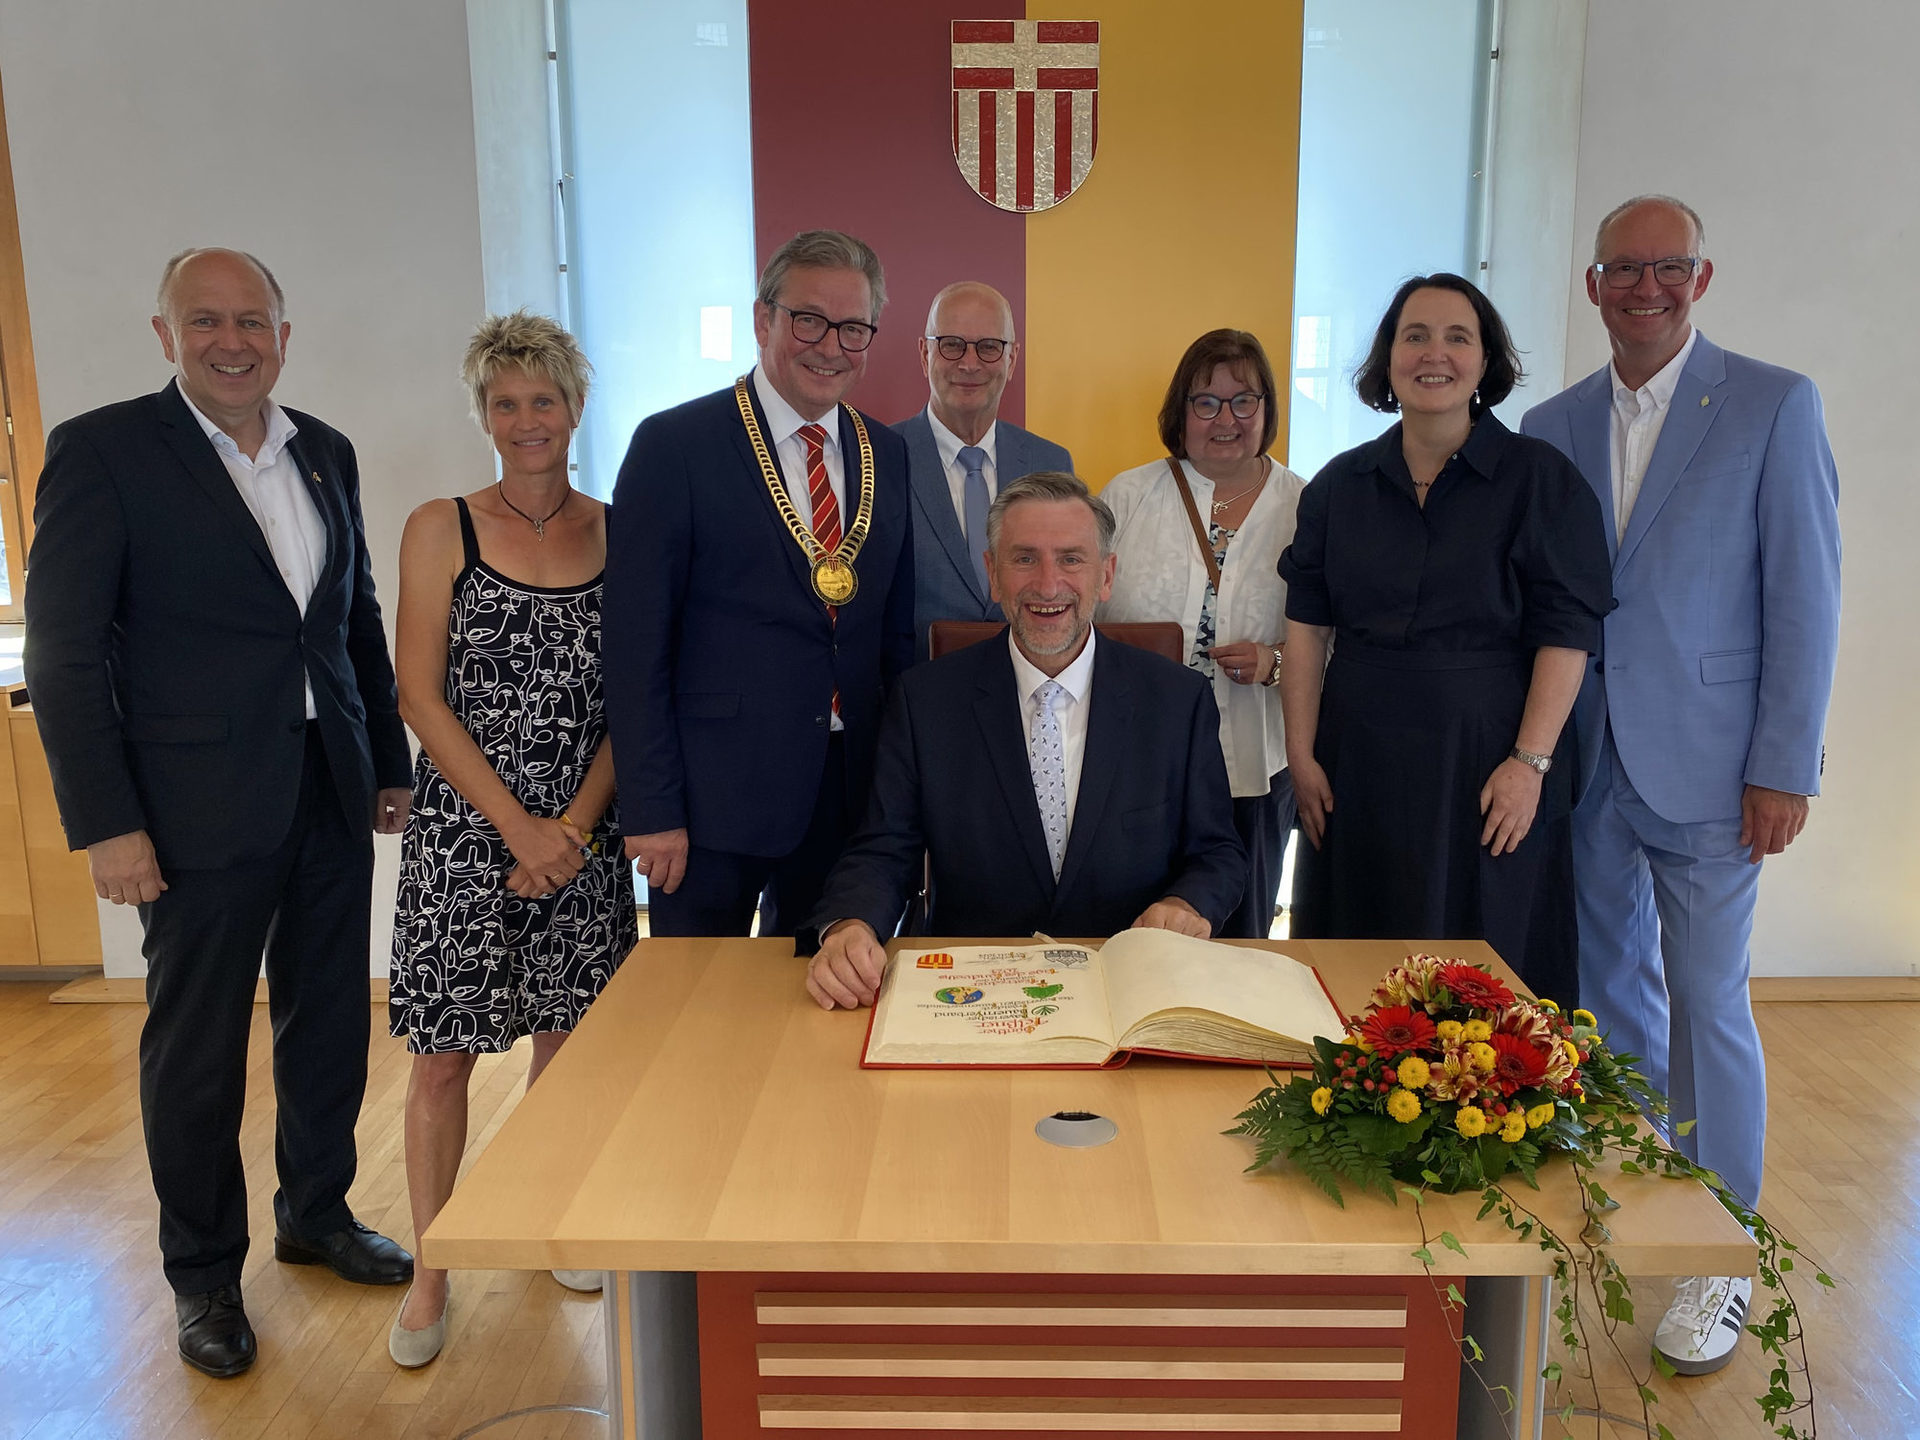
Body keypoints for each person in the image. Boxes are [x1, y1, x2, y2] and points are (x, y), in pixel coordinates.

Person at [21, 248, 414, 1379]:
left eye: (251, 321)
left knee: (327, 1020)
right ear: (165, 335)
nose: (230, 341)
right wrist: (106, 822)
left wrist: (386, 760)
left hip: (328, 785)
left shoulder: (323, 450)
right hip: (188, 810)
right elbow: (62, 652)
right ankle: (202, 1277)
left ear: (284, 336)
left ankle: (317, 1214)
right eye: (205, 321)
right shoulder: (104, 452)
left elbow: (351, 620)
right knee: (196, 1053)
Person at [1521, 195, 1841, 1376]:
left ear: (1700, 279)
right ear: (1594, 287)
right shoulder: (1552, 423)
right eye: (1624, 269)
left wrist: (1783, 765)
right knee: (1609, 1003)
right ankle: (1642, 1202)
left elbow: (1807, 596)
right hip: (1586, 762)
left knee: (1709, 1007)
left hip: (1715, 770)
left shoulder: (1772, 404)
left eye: (1668, 267)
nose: (1645, 288)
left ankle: (1722, 1258)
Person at [385, 312, 637, 1366]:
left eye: (544, 399)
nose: (526, 419)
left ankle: (550, 1217)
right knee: (443, 1061)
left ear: (574, 408)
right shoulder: (439, 526)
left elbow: (636, 698)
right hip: (464, 834)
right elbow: (418, 694)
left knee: (567, 1050)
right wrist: (518, 830)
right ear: (483, 414)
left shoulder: (621, 530)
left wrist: (568, 829)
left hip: (584, 834)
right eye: (505, 402)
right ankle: (431, 1267)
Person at [1277, 274, 1612, 1006]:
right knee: (1356, 958)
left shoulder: (1541, 481)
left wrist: (1530, 764)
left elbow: (1567, 634)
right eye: (1415, 336)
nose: (1435, 354)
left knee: (1488, 963)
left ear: (1486, 359)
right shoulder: (1338, 486)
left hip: (1489, 762)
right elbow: (1304, 630)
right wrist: (1301, 756)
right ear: (1388, 357)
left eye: (1458, 337)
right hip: (1357, 761)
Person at [804, 472, 1246, 1011]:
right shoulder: (926, 700)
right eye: (1024, 559)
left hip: (1128, 985)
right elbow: (883, 848)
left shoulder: (1178, 700)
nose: (1048, 584)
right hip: (970, 990)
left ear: (1106, 575)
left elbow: (1217, 853)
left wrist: (1187, 903)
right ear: (993, 574)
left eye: (1071, 559)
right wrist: (850, 924)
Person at [604, 230, 913, 939]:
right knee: (698, 998)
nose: (831, 346)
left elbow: (893, 641)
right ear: (762, 318)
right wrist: (652, 808)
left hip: (846, 795)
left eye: (854, 328)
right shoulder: (675, 446)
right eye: (809, 320)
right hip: (710, 802)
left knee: (821, 993)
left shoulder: (887, 453)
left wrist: (898, 798)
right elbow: (633, 647)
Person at [1100, 329, 1306, 938]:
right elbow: (1082, 611)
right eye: (1206, 402)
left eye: (1244, 401)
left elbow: (1338, 636)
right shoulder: (1128, 495)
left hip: (1256, 762)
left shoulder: (1306, 504)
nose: (1226, 419)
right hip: (1137, 759)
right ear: (1181, 411)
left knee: (1239, 936)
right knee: (1135, 929)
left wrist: (1274, 661)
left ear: (1266, 409)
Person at [894, 281, 1073, 658]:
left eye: (989, 347)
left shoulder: (1051, 462)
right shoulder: (881, 457)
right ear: (925, 353)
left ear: (1012, 359)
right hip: (914, 684)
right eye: (952, 344)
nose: (970, 363)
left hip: (1025, 682)